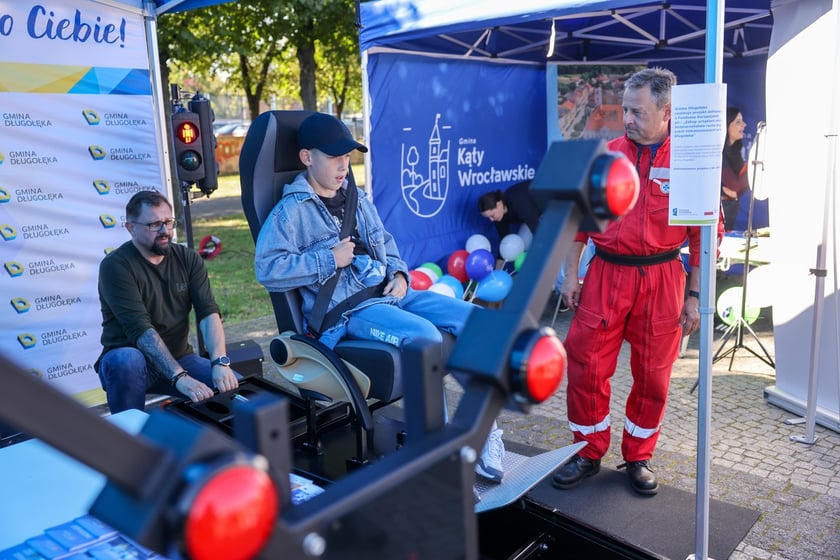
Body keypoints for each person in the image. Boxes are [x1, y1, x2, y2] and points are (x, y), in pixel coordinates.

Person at [254, 112, 506, 483]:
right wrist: (329, 259)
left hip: (391, 294)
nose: (344, 166)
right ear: (307, 158)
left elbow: (386, 244)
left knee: (477, 320)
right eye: (334, 158)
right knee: (426, 340)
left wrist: (401, 274)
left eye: (347, 158)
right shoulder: (290, 212)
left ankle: (485, 432)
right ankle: (442, 446)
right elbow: (267, 269)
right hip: (349, 312)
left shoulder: (357, 198)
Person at [552, 68, 724, 495]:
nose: (627, 118)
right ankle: (587, 452)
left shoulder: (690, 161)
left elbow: (704, 237)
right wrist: (571, 275)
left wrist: (696, 295)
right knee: (587, 364)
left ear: (666, 111)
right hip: (606, 273)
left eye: (637, 111)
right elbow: (577, 224)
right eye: (625, 110)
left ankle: (639, 455)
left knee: (653, 375)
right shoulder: (606, 158)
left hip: (664, 277)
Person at [96, 190, 240, 414]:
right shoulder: (115, 266)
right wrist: (179, 377)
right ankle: (127, 437)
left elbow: (208, 312)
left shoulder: (188, 258)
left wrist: (220, 363)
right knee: (126, 359)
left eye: (168, 222)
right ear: (131, 228)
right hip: (131, 364)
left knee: (242, 393)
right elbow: (140, 328)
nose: (165, 231)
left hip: (180, 357)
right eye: (154, 225)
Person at [477, 181, 595, 312]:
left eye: (492, 215)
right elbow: (505, 244)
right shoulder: (499, 217)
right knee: (520, 243)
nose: (491, 220)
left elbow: (538, 231)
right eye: (488, 218)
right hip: (534, 218)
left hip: (552, 210)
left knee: (546, 247)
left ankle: (556, 288)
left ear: (499, 204)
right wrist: (496, 274)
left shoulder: (518, 201)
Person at [721, 107, 750, 232]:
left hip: (731, 220)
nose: (744, 125)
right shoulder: (718, 154)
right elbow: (733, 188)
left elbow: (735, 192)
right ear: (727, 125)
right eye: (738, 121)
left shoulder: (736, 153)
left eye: (742, 121)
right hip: (719, 223)